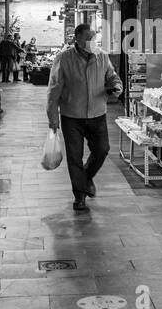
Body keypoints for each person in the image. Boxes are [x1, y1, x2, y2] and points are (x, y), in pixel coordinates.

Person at [46, 23, 123, 212]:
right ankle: (79, 196)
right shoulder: (64, 59)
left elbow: (112, 77)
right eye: (88, 38)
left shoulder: (102, 57)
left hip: (97, 114)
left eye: (93, 37)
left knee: (102, 149)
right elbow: (54, 89)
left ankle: (86, 177)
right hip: (72, 116)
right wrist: (52, 116)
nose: (92, 41)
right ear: (77, 40)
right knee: (74, 157)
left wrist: (117, 87)